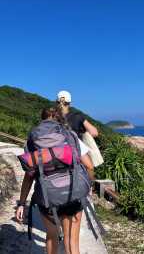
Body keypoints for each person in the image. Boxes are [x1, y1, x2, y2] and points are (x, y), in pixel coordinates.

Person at [16, 107, 94, 254]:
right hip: (73, 194)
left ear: (42, 120)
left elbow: (29, 176)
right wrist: (88, 187)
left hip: (48, 196)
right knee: (71, 243)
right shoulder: (71, 136)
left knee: (51, 237)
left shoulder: (33, 142)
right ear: (59, 120)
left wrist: (21, 203)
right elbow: (89, 166)